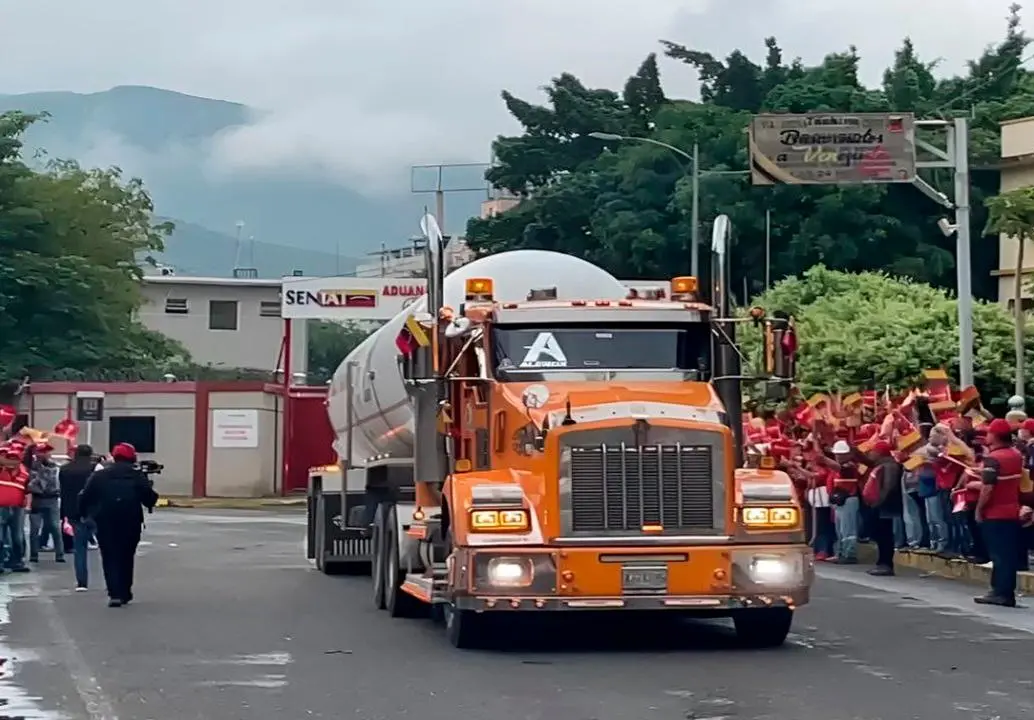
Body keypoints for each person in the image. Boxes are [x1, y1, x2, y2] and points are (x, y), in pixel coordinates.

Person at [78, 443, 158, 607]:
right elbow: (150, 499)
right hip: (131, 520)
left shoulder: (100, 475)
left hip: (105, 520)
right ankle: (125, 590)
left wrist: (84, 514)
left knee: (109, 556)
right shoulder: (136, 476)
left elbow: (85, 496)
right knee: (126, 556)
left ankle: (114, 592)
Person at [973, 418, 1023, 607]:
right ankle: (1005, 591)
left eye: (988, 433)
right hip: (1012, 510)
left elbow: (988, 488)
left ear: (994, 435)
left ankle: (1000, 592)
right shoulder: (1016, 455)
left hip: (995, 513)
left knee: (998, 555)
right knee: (1007, 554)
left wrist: (979, 509)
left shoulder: (994, 458)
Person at [862, 440, 903, 576]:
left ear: (879, 452)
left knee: (884, 535)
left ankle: (885, 564)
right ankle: (882, 563)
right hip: (881, 505)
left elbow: (889, 486)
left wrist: (879, 502)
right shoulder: (882, 465)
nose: (871, 454)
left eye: (873, 451)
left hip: (886, 506)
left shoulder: (889, 466)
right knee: (880, 535)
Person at [60, 444, 97, 591]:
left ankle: (82, 582)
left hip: (73, 510)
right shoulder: (94, 468)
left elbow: (63, 492)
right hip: (93, 511)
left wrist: (64, 514)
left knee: (79, 548)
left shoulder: (64, 469)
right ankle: (112, 580)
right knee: (108, 547)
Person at [26, 440, 64, 564]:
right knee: (34, 529)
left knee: (55, 527)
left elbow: (52, 482)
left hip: (51, 499)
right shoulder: (31, 467)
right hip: (37, 500)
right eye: (42, 451)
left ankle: (59, 554)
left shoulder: (54, 467)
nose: (46, 454)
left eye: (47, 451)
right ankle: (33, 555)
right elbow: (33, 485)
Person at [826, 440, 861, 564]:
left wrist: (823, 459)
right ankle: (840, 553)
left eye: (841, 454)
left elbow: (839, 468)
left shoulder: (850, 466)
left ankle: (850, 554)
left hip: (849, 500)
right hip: (840, 502)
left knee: (848, 530)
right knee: (840, 530)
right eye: (836, 454)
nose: (838, 456)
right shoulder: (838, 468)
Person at [0, 444, 30, 573]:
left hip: (18, 508)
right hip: (1, 508)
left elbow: (27, 490)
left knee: (17, 537)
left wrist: (27, 505)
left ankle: (17, 561)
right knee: (0, 537)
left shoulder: (24, 472)